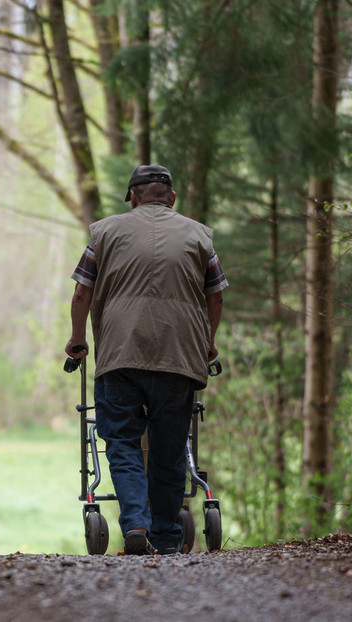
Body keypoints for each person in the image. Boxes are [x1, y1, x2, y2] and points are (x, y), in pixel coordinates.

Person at [64, 164, 226, 556]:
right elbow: (216, 294)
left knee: (120, 441)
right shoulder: (199, 235)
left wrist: (77, 338)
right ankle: (168, 537)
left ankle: (135, 522)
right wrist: (208, 342)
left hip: (121, 355)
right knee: (170, 448)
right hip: (179, 356)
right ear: (171, 198)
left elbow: (82, 293)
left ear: (133, 198)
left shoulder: (103, 233)